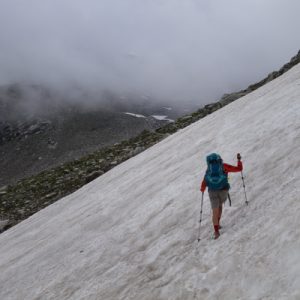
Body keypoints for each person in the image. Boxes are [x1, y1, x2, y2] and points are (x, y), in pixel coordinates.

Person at [200, 153, 243, 239]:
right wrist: (239, 160)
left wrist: (202, 188)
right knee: (220, 207)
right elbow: (239, 169)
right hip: (223, 190)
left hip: (212, 191)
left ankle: (216, 231)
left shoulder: (209, 170)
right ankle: (218, 224)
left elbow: (204, 182)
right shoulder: (223, 166)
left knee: (214, 211)